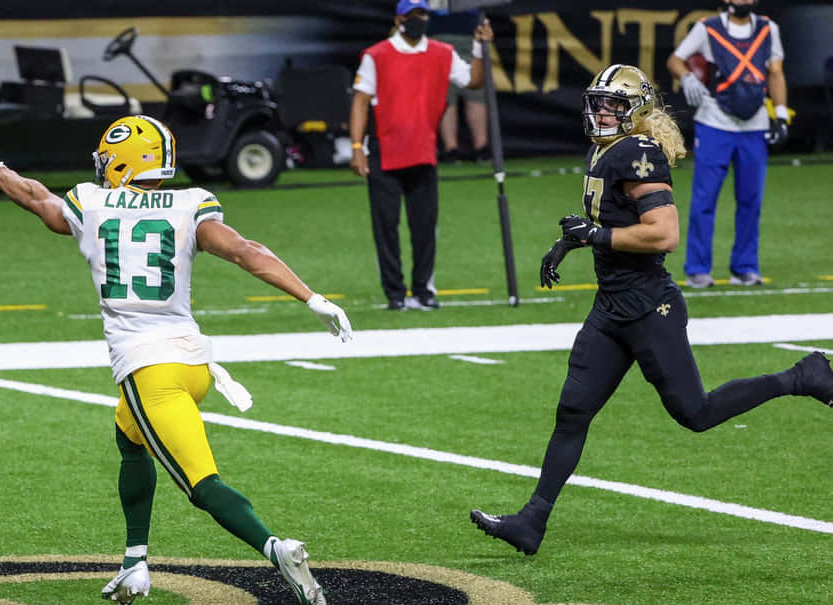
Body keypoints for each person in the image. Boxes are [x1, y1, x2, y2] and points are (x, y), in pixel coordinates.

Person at [0, 114, 354, 605]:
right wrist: (312, 297)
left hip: (149, 371)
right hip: (192, 364)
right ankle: (134, 562)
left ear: (121, 161)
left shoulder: (91, 202)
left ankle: (277, 549)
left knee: (202, 486)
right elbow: (245, 252)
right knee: (128, 434)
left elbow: (36, 198)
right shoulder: (191, 203)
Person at [469, 65, 833, 556]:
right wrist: (569, 242)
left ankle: (802, 376)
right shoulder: (605, 148)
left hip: (648, 306)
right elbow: (608, 218)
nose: (602, 112)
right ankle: (532, 521)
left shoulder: (638, 153)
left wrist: (595, 236)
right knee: (573, 411)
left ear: (635, 109)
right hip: (611, 306)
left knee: (696, 413)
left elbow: (663, 234)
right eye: (598, 102)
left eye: (613, 105)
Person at [349, 0, 493, 311]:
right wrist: (357, 147)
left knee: (425, 227)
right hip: (384, 153)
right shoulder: (376, 55)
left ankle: (422, 290)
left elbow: (473, 81)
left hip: (423, 152)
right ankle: (395, 293)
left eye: (423, 14)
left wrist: (480, 47)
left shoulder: (442, 53)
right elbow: (360, 102)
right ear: (399, 19)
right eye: (412, 15)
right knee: (386, 228)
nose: (419, 20)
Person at [667, 0, 789, 288]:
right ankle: (698, 269)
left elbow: (775, 72)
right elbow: (675, 59)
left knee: (751, 200)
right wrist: (687, 78)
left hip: (754, 124)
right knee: (705, 198)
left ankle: (745, 267)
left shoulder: (768, 29)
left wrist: (781, 115)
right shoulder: (707, 28)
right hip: (714, 123)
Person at [429, 9, 490, 164]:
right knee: (446, 95)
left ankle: (481, 148)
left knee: (475, 93)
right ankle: (452, 149)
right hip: (439, 31)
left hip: (467, 31)